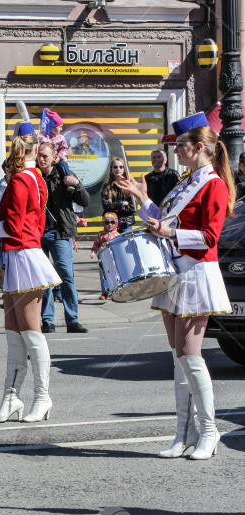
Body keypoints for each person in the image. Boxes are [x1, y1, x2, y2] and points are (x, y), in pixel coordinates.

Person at [121, 112, 235, 461]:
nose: (175, 152)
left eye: (180, 146)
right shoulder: (187, 182)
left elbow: (209, 237)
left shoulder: (212, 184)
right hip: (176, 273)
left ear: (199, 147)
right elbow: (163, 221)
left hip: (197, 274)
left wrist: (169, 232)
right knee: (178, 357)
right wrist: (142, 198)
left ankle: (210, 431)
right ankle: (183, 433)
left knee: (189, 353)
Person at [0, 117, 60, 424]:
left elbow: (13, 226)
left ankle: (43, 397)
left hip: (24, 258)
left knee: (31, 334)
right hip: (17, 257)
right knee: (13, 334)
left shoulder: (22, 180)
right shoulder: (34, 178)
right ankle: (11, 398)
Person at [37, 142, 89, 334]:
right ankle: (47, 320)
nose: (42, 159)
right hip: (39, 233)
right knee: (44, 279)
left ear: (54, 157)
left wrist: (76, 185)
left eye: (45, 156)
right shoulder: (35, 176)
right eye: (39, 155)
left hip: (60, 233)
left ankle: (72, 320)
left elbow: (84, 201)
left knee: (66, 276)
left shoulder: (65, 175)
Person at [101, 157, 136, 233]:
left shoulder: (129, 185)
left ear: (124, 169)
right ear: (112, 169)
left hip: (126, 224)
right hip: (110, 224)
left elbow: (133, 207)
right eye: (115, 167)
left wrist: (114, 206)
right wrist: (122, 204)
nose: (118, 169)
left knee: (125, 244)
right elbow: (106, 206)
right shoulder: (107, 186)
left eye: (121, 167)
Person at [91, 211, 119, 300]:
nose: (109, 225)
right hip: (103, 259)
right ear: (104, 223)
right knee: (103, 276)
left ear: (116, 223)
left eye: (112, 222)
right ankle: (104, 292)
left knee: (115, 275)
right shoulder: (101, 234)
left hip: (114, 258)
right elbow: (96, 244)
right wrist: (93, 252)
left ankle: (116, 291)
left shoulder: (118, 235)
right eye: (107, 222)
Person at [39, 108, 72, 177]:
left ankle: (67, 178)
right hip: (44, 160)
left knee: (63, 165)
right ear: (52, 127)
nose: (61, 129)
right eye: (59, 127)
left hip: (57, 159)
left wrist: (60, 157)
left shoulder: (60, 138)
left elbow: (63, 149)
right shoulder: (42, 137)